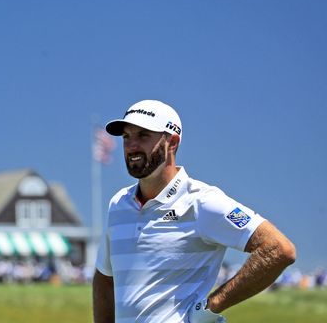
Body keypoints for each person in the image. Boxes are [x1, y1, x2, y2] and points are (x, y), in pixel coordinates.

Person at [92, 100, 296, 323]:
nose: (131, 146)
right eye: (126, 137)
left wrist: (211, 306)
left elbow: (279, 249)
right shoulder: (118, 203)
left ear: (172, 142)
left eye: (143, 135)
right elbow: (105, 279)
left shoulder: (202, 201)